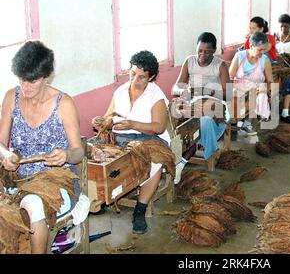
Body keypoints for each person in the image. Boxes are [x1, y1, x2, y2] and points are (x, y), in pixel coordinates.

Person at [0, 41, 85, 254]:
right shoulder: (12, 97)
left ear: (46, 76)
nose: (25, 87)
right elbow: (1, 143)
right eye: (22, 80)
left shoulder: (64, 104)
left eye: (33, 81)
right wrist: (6, 154)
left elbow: (78, 153)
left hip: (57, 179)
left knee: (33, 204)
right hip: (19, 177)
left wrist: (65, 155)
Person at [92, 50, 170, 235]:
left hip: (149, 138)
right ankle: (102, 197)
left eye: (142, 77)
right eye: (133, 74)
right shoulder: (120, 91)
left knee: (155, 162)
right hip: (121, 138)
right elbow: (109, 117)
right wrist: (101, 122)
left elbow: (158, 127)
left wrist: (133, 124)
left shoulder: (155, 95)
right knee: (92, 150)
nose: (135, 80)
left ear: (151, 78)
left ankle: (140, 210)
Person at [171, 32, 230, 184]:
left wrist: (205, 91)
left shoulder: (220, 65)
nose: (202, 55)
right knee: (173, 118)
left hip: (214, 104)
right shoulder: (189, 61)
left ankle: (183, 161)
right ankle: (176, 156)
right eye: (200, 51)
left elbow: (228, 94)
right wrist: (184, 91)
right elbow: (175, 88)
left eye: (207, 52)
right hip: (193, 103)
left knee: (204, 121)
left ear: (214, 50)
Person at [229, 32, 273, 133]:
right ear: (251, 46)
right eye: (260, 50)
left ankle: (247, 123)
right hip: (239, 87)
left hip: (256, 88)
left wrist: (267, 89)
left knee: (260, 95)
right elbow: (230, 77)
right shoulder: (239, 56)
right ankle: (234, 119)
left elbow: (270, 81)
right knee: (233, 95)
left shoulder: (265, 60)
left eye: (264, 50)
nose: (262, 53)